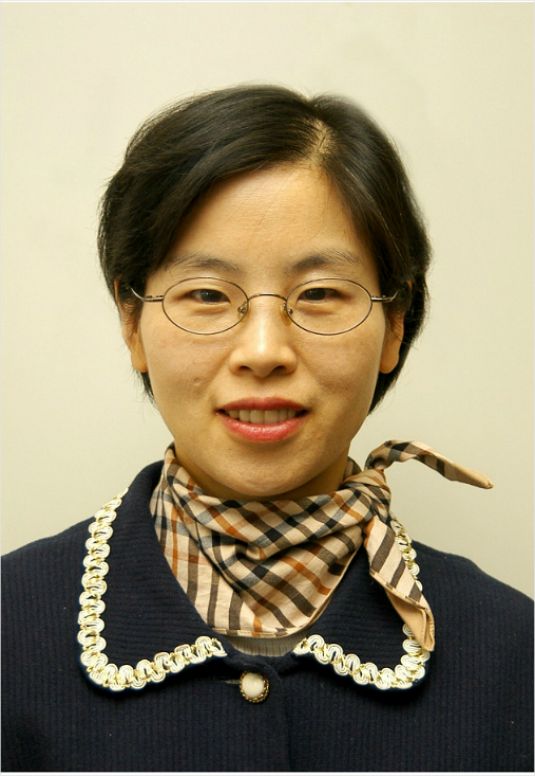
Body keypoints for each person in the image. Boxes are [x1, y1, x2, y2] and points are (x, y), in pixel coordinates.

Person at [2, 85, 532, 773]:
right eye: (206, 294)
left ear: (394, 325)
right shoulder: (12, 626)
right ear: (132, 322)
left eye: (319, 295)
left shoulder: (512, 652)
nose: (263, 351)